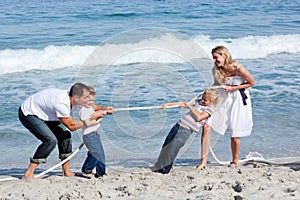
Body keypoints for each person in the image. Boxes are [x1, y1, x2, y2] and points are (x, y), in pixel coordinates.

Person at [18, 83, 114, 179]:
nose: (88, 100)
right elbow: (72, 126)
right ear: (76, 98)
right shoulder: (62, 104)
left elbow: (90, 105)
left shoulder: (75, 98)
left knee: (65, 136)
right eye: (86, 98)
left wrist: (104, 109)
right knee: (50, 141)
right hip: (29, 113)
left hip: (46, 113)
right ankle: (29, 173)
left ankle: (66, 171)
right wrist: (92, 117)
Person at [205, 45, 255, 166]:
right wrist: (208, 93)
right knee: (209, 124)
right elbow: (216, 84)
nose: (215, 61)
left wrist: (233, 88)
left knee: (235, 132)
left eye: (216, 58)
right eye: (213, 58)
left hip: (238, 99)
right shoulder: (216, 70)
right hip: (224, 98)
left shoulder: (237, 68)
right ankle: (203, 160)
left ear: (225, 56)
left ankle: (235, 161)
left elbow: (252, 82)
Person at [153, 88, 220, 174]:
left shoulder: (209, 110)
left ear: (212, 101)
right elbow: (182, 104)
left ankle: (165, 169)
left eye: (205, 100)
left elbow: (199, 117)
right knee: (166, 145)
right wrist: (167, 105)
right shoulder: (198, 102)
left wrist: (190, 107)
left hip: (186, 130)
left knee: (173, 148)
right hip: (178, 125)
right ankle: (159, 165)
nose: (202, 100)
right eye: (202, 98)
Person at [79, 86, 107, 178]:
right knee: (96, 153)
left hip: (94, 133)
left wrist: (104, 111)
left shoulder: (89, 108)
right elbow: (87, 122)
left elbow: (95, 112)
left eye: (92, 101)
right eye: (89, 101)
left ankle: (101, 173)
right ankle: (87, 170)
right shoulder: (83, 110)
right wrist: (98, 121)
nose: (91, 103)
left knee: (98, 153)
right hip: (89, 135)